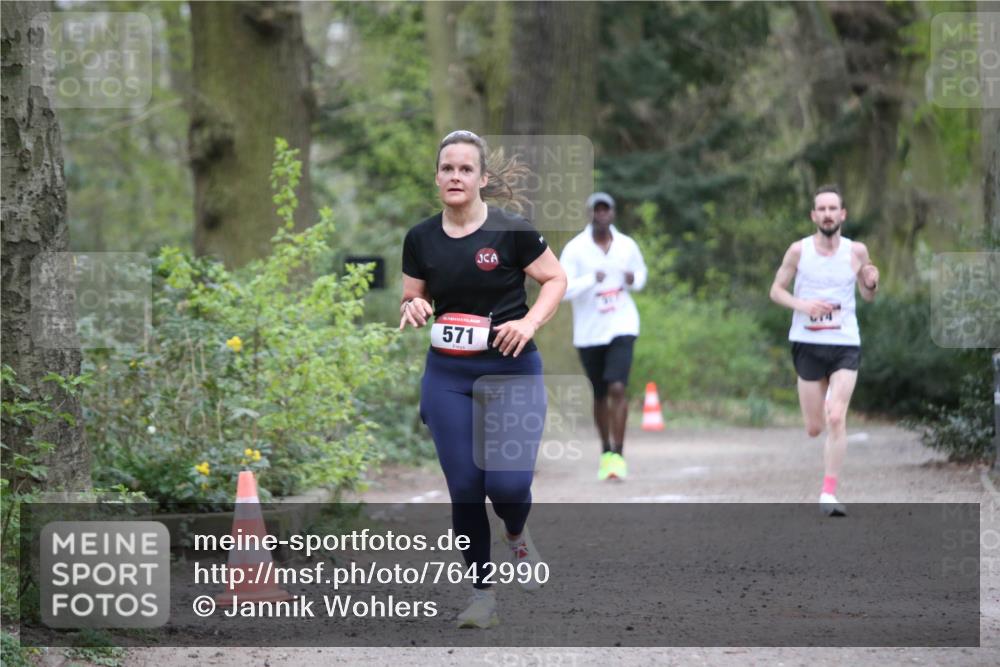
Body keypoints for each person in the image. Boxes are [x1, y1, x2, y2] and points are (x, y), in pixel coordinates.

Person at [399, 130, 567, 628]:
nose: (455, 176)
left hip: (512, 370)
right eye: (447, 168)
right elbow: (411, 297)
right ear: (437, 178)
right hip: (448, 374)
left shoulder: (512, 231)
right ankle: (482, 596)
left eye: (465, 168)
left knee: (508, 485)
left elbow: (556, 279)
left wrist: (529, 322)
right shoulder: (421, 237)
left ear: (482, 178)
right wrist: (416, 305)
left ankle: (516, 534)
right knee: (466, 488)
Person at [769, 185, 880, 517]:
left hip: (845, 343)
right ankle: (818, 409)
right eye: (822, 209)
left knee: (836, 416)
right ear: (814, 215)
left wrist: (872, 282)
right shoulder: (798, 251)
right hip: (808, 343)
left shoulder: (856, 251)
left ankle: (828, 493)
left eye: (834, 208)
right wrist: (802, 304)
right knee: (814, 426)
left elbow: (869, 293)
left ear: (843, 214)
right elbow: (775, 290)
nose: (828, 214)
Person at [559, 192, 647, 481]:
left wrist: (634, 279)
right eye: (596, 211)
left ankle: (619, 456)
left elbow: (641, 273)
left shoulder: (626, 245)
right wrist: (589, 280)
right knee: (599, 394)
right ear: (589, 214)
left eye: (606, 210)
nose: (601, 215)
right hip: (589, 332)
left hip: (622, 324)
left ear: (613, 213)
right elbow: (561, 288)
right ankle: (606, 450)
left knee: (618, 388)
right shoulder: (575, 249)